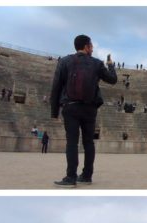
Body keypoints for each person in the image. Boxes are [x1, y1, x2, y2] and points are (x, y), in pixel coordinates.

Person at [50, 34, 117, 186]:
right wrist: (111, 65)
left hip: (70, 107)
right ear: (86, 46)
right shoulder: (97, 63)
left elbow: (56, 87)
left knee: (72, 143)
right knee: (88, 143)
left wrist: (54, 111)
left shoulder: (65, 61)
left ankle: (71, 177)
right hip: (89, 108)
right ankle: (87, 175)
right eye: (91, 46)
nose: (92, 48)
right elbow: (113, 80)